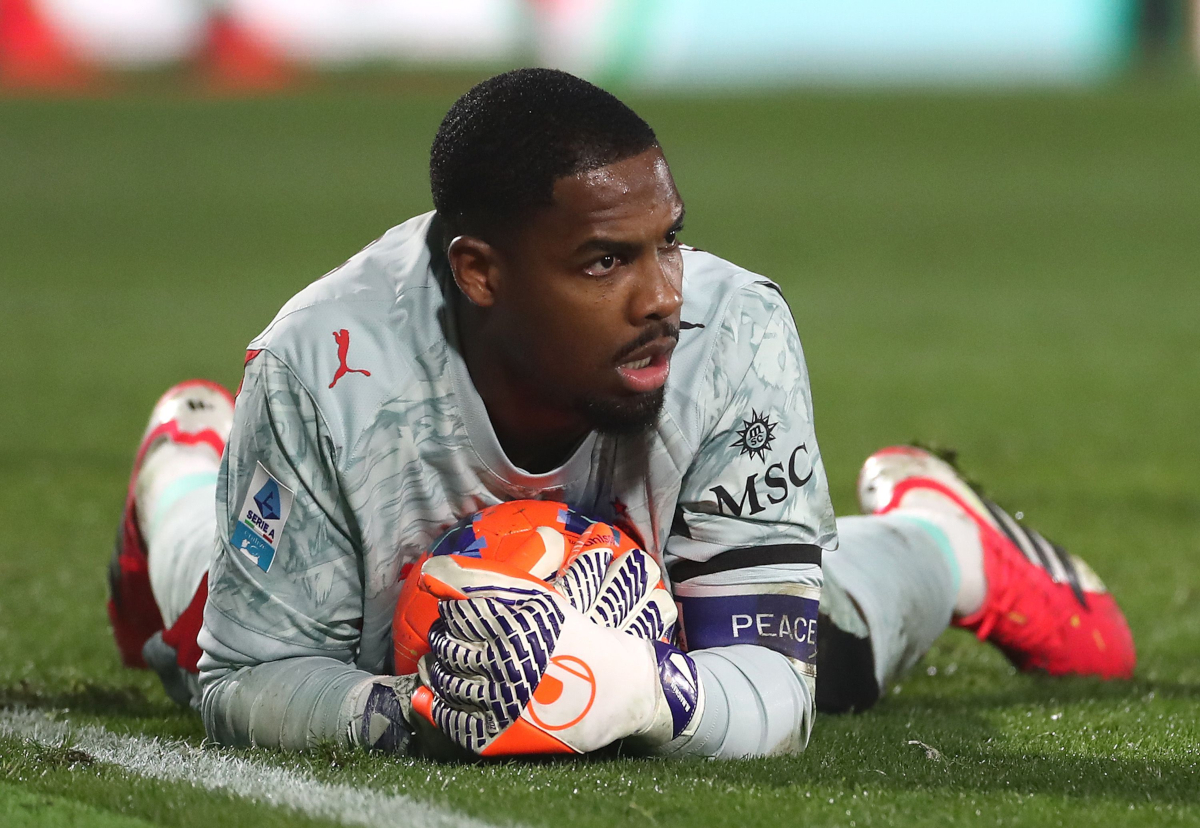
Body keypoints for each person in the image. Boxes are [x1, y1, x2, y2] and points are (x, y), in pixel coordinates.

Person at [107, 68, 1135, 759]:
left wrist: (650, 698)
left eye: (669, 243)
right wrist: (412, 710)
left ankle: (942, 539)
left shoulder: (732, 334)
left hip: (646, 587)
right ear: (480, 273)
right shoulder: (323, 366)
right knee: (206, 619)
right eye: (606, 261)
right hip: (376, 607)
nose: (661, 297)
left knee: (832, 652)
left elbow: (774, 689)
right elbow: (247, 680)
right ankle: (185, 462)